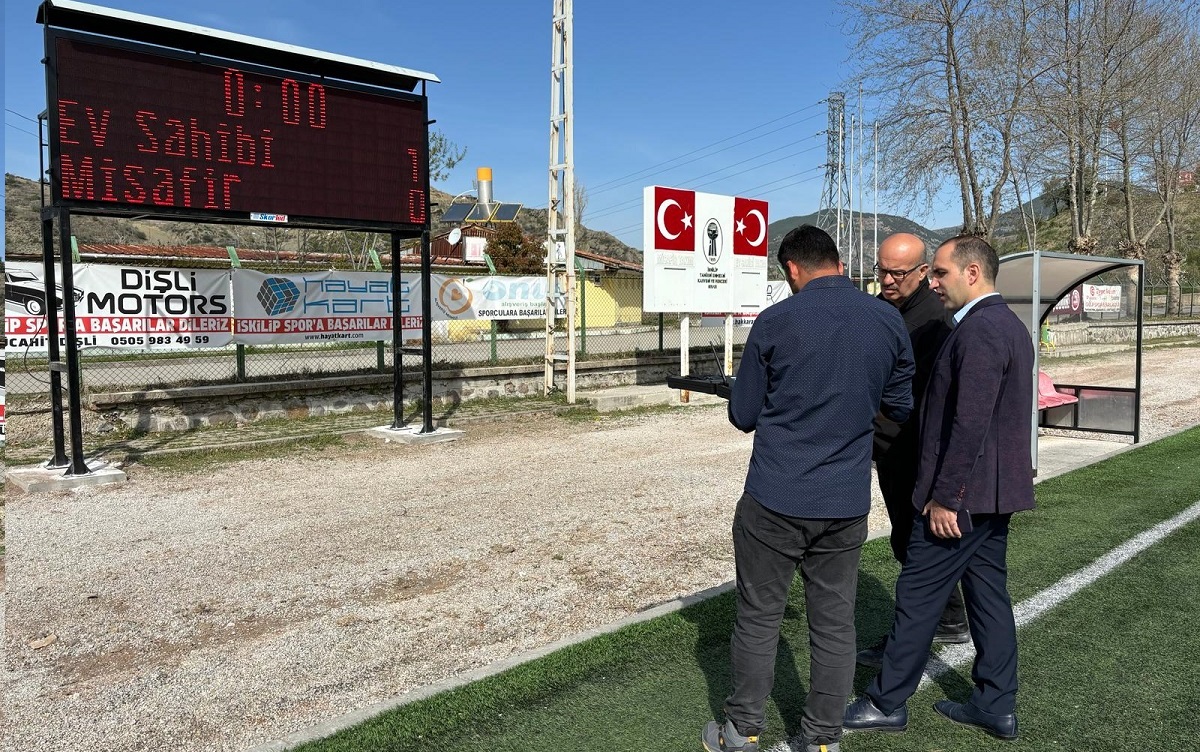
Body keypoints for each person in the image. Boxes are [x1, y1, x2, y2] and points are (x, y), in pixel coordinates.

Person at [703, 225, 915, 752]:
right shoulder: (887, 320)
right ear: (838, 262)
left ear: (792, 269)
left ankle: (742, 730)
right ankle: (823, 738)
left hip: (775, 497)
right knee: (835, 622)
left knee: (758, 617)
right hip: (844, 501)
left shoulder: (776, 320)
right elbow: (901, 405)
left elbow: (744, 414)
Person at [842, 235, 1036, 741]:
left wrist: (947, 496)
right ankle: (996, 703)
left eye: (942, 274)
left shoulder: (981, 330)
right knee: (987, 595)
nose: (934, 283)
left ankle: (886, 701)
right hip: (991, 493)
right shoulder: (1001, 325)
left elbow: (968, 423)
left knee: (918, 591)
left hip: (965, 498)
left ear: (972, 273)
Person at [858, 233, 965, 670]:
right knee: (909, 542)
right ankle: (952, 615)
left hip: (914, 451)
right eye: (881, 270)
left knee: (916, 546)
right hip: (890, 450)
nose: (886, 279)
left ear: (922, 272)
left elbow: (924, 400)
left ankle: (915, 635)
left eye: (897, 273)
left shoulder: (934, 322)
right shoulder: (884, 310)